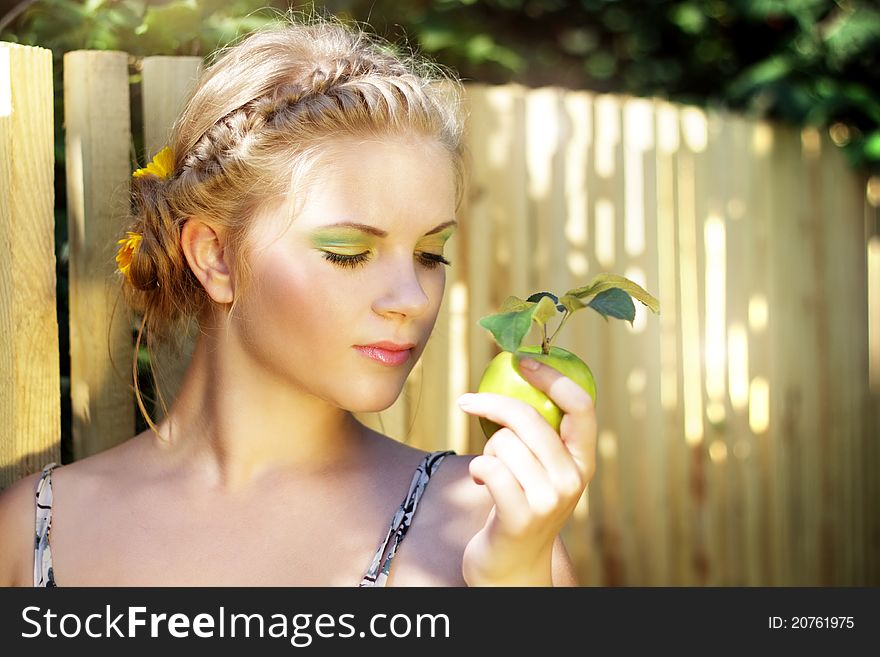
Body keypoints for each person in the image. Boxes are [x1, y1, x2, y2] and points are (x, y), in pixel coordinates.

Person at [0, 16, 597, 587]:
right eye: (347, 252)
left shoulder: (480, 526)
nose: (412, 299)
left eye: (429, 254)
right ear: (216, 257)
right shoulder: (28, 532)